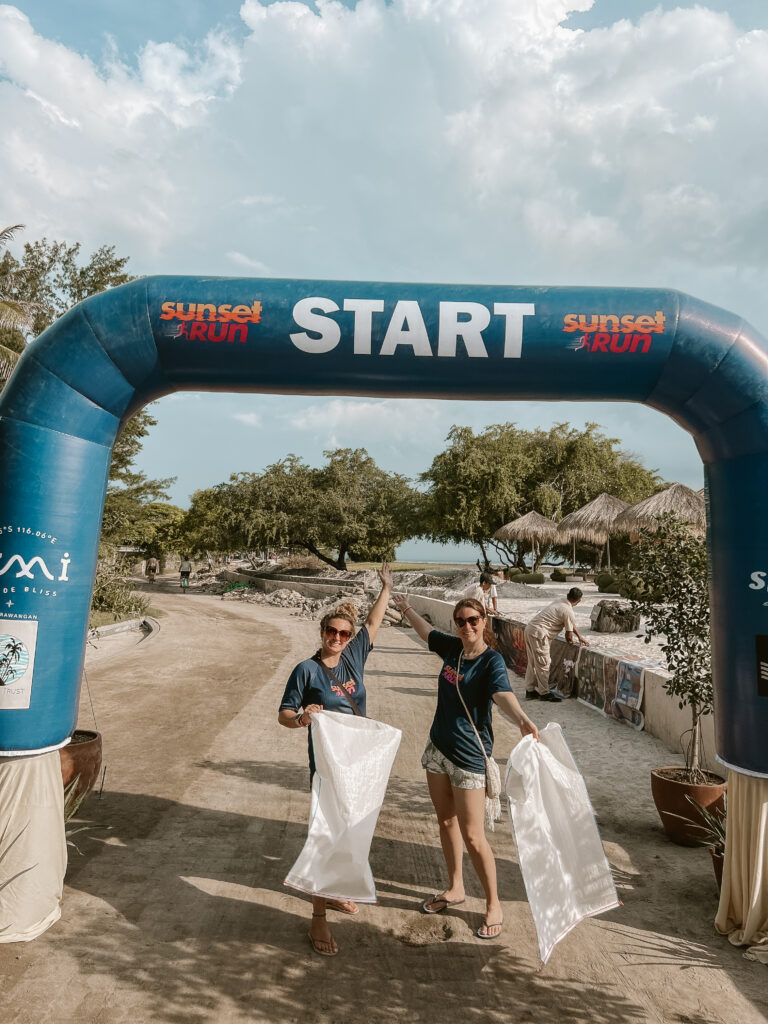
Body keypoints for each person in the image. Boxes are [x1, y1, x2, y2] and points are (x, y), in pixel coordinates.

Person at [392, 594, 539, 940]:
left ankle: (493, 904)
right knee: (445, 822)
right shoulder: (453, 650)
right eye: (461, 621)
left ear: (484, 621)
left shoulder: (492, 662)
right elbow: (426, 632)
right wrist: (405, 607)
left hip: (469, 757)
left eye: (473, 620)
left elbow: (502, 694)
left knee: (474, 836)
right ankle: (456, 887)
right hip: (437, 749)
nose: (467, 626)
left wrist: (520, 719)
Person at [278, 563, 394, 957]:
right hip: (326, 767)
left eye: (344, 633)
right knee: (325, 834)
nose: (339, 638)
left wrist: (387, 588)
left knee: (351, 830)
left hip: (358, 764)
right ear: (322, 632)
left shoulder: (354, 658)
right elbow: (285, 715)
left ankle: (336, 891)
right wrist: (304, 718)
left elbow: (374, 622)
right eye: (332, 632)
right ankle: (318, 919)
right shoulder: (306, 670)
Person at [524, 587, 589, 702]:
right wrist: (571, 642)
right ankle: (544, 693)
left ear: (568, 595)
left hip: (530, 629)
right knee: (544, 663)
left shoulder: (560, 601)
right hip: (539, 634)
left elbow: (570, 624)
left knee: (533, 662)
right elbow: (568, 635)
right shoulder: (568, 610)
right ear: (578, 601)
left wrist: (579, 636)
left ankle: (530, 690)